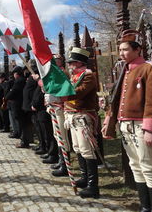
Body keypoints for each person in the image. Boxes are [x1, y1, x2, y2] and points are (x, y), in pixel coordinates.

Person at [102, 30, 152, 212]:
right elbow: (118, 98)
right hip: (126, 126)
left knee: (149, 168)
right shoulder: (125, 69)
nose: (121, 53)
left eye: (125, 49)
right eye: (120, 50)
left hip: (142, 127)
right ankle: (145, 207)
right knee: (136, 167)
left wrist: (150, 129)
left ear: (137, 49)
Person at [62, 47, 99, 198]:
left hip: (83, 116)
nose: (70, 65)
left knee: (87, 150)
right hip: (72, 116)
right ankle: (84, 178)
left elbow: (81, 92)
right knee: (77, 148)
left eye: (72, 62)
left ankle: (93, 186)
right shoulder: (74, 76)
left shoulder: (88, 76)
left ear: (79, 63)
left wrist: (62, 94)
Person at [45, 54, 71, 177]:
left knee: (62, 136)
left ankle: (65, 164)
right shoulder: (53, 74)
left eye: (56, 60)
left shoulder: (63, 73)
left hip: (60, 106)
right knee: (57, 135)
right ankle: (61, 161)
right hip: (53, 107)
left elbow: (63, 90)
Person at [18, 60, 37, 148]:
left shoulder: (35, 74)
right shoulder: (29, 75)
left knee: (29, 124)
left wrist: (33, 103)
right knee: (26, 124)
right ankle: (25, 141)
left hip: (31, 104)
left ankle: (26, 141)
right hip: (27, 104)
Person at [5, 66, 25, 139]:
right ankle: (17, 132)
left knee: (18, 120)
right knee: (15, 119)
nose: (13, 75)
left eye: (14, 73)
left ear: (17, 74)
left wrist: (7, 97)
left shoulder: (19, 81)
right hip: (15, 103)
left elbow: (13, 91)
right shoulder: (19, 80)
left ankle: (19, 133)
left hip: (17, 103)